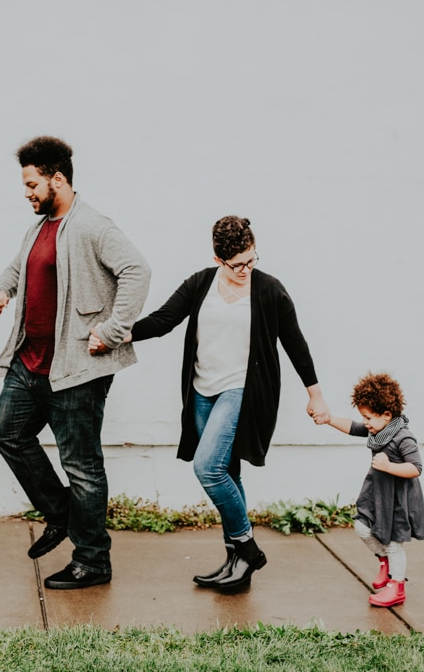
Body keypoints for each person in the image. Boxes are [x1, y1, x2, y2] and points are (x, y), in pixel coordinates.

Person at [90, 215, 330, 589]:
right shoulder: (202, 283)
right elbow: (164, 320)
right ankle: (236, 564)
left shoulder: (269, 290)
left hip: (241, 390)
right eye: (237, 265)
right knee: (228, 473)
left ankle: (248, 549)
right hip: (202, 392)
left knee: (208, 468)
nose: (246, 270)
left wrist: (314, 393)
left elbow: (295, 343)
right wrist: (116, 335)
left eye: (252, 260)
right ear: (219, 259)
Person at [0, 136, 151, 590]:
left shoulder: (93, 226)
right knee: (5, 433)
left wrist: (113, 330)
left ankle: (93, 560)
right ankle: (61, 515)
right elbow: (19, 268)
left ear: (57, 179)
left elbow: (137, 270)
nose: (26, 192)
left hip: (75, 368)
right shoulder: (39, 227)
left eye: (32, 183)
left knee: (82, 466)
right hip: (30, 362)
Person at [318, 372, 424, 607]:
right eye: (363, 417)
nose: (365, 422)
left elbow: (416, 468)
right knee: (362, 527)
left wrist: (389, 466)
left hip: (396, 498)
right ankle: (384, 562)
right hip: (377, 493)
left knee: (393, 543)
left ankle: (396, 586)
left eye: (368, 417)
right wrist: (329, 419)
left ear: (387, 414)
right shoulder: (378, 430)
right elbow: (352, 427)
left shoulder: (403, 437)